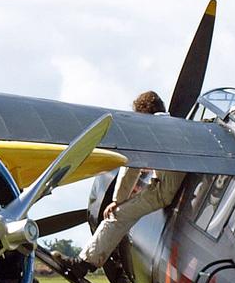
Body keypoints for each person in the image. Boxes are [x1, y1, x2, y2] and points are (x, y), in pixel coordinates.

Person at [77, 90, 185, 269]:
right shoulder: (179, 125)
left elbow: (131, 168)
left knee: (118, 215)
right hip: (173, 185)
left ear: (143, 111)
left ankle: (84, 263)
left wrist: (117, 201)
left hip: (164, 190)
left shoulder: (149, 130)